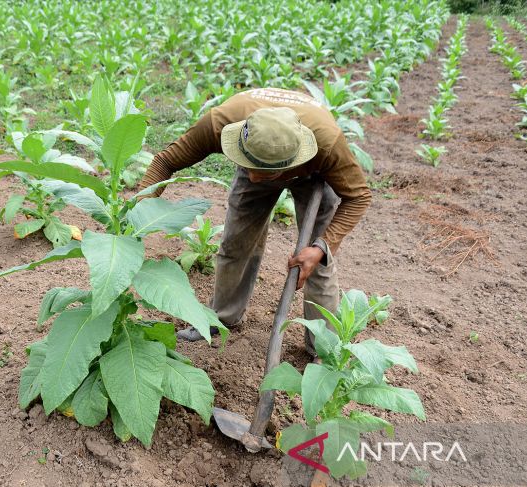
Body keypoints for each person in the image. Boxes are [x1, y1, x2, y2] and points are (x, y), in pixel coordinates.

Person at [137, 88, 371, 357]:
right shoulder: (221, 122)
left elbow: (359, 197)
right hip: (264, 155)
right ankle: (221, 318)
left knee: (318, 265)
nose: (257, 178)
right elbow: (165, 161)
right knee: (236, 244)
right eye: (250, 168)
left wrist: (320, 247)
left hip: (313, 174)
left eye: (267, 173)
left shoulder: (327, 145)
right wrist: (138, 215)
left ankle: (325, 350)